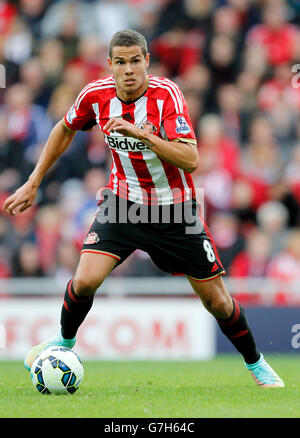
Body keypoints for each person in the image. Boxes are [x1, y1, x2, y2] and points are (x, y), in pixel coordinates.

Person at [3, 29, 283, 388]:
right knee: (86, 278)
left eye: (136, 60)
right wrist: (33, 180)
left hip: (174, 211)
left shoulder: (167, 95)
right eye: (121, 62)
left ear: (146, 61)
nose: (129, 69)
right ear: (111, 65)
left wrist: (143, 135)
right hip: (124, 204)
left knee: (218, 302)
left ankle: (257, 363)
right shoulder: (96, 95)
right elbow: (64, 128)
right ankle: (64, 343)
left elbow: (191, 158)